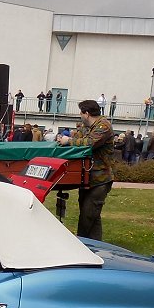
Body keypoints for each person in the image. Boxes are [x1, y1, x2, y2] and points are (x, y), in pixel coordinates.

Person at [59, 99, 114, 241]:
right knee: (92, 216)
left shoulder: (103, 126)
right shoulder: (87, 126)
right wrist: (67, 138)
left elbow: (89, 143)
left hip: (99, 180)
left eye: (81, 113)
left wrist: (68, 141)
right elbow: (79, 136)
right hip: (88, 177)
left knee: (87, 216)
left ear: (87, 113)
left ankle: (82, 243)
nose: (80, 116)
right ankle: (95, 246)